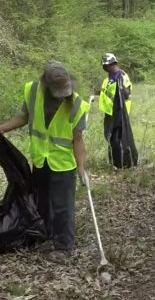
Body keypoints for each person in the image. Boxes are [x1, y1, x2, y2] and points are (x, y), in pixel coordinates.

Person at [0, 60, 89, 263]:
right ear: (46, 84)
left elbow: (78, 140)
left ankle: (64, 246)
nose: (62, 94)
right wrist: (3, 128)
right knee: (43, 201)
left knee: (63, 206)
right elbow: (23, 117)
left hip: (63, 164)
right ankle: (46, 236)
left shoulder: (76, 104)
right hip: (40, 159)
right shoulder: (33, 91)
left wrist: (82, 169)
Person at [98, 53, 132, 142]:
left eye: (105, 66)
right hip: (109, 112)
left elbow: (127, 94)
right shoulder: (109, 77)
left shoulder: (121, 76)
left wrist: (121, 87)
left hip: (119, 113)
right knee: (109, 136)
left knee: (117, 139)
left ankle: (119, 155)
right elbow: (108, 92)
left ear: (112, 64)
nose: (104, 68)